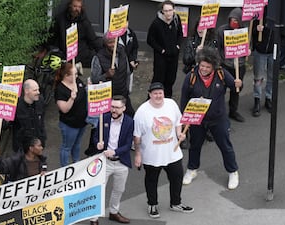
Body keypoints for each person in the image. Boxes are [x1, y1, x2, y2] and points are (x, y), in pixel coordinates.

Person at [180, 47, 241, 190]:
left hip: (218, 118)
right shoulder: (191, 77)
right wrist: (184, 118)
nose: (204, 69)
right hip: (197, 119)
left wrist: (239, 84)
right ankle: (192, 169)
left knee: (225, 146)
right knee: (195, 145)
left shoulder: (221, 74)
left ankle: (233, 171)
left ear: (214, 66)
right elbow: (184, 99)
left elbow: (235, 87)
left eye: (207, 67)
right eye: (202, 66)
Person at [133, 82, 193, 218]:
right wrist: (137, 154)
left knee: (177, 178)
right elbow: (137, 137)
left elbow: (178, 122)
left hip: (172, 153)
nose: (158, 96)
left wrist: (179, 134)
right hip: (152, 155)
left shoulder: (171, 104)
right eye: (155, 93)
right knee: (151, 180)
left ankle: (176, 203)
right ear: (149, 95)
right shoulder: (142, 112)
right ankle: (152, 204)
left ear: (163, 93)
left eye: (160, 93)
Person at [89, 95, 133, 225]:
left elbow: (128, 143)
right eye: (112, 106)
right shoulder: (104, 118)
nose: (114, 110)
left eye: (117, 107)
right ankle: (94, 218)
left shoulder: (130, 122)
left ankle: (114, 212)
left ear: (124, 108)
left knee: (119, 189)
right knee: (99, 189)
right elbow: (96, 137)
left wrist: (115, 151)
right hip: (105, 161)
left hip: (121, 161)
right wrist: (98, 144)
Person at [182, 19, 217, 142]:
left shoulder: (212, 42)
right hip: (193, 77)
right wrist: (195, 53)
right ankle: (186, 131)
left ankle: (205, 129)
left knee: (205, 103)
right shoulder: (191, 41)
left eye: (204, 27)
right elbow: (186, 60)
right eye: (199, 26)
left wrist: (203, 54)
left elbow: (215, 60)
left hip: (206, 78)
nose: (201, 29)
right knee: (190, 104)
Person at [91, 33, 135, 117]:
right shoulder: (98, 58)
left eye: (114, 41)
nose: (113, 45)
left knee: (130, 118)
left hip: (123, 94)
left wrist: (128, 89)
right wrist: (106, 75)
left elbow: (127, 72)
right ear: (105, 43)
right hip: (108, 97)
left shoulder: (122, 51)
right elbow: (94, 80)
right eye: (109, 42)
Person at [217, 7, 248, 122]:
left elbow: (247, 46)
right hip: (225, 65)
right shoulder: (221, 30)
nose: (234, 22)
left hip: (239, 65)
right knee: (221, 90)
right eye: (232, 19)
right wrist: (221, 61)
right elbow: (218, 48)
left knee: (237, 89)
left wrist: (247, 51)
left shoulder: (244, 31)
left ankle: (233, 111)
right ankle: (220, 112)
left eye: (236, 20)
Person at [49, 0, 102, 68]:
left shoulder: (84, 22)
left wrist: (102, 52)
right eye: (75, 6)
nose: (77, 9)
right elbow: (52, 35)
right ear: (70, 6)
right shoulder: (60, 18)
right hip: (64, 52)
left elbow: (92, 39)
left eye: (79, 7)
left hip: (80, 53)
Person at [147, 0, 183, 98]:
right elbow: (150, 40)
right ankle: (152, 99)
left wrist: (178, 46)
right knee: (158, 80)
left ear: (174, 10)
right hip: (161, 57)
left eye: (170, 10)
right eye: (166, 11)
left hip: (174, 56)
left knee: (170, 80)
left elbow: (180, 33)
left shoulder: (176, 19)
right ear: (162, 11)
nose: (168, 13)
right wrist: (161, 50)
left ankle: (167, 99)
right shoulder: (156, 23)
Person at [54, 62, 87, 167]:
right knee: (67, 146)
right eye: (74, 74)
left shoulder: (77, 81)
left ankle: (76, 163)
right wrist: (71, 98)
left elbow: (83, 93)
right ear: (66, 76)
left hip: (82, 121)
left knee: (77, 144)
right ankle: (65, 167)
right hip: (70, 124)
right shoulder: (60, 90)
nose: (77, 76)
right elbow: (64, 109)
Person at [251, 6, 273, 116]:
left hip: (273, 51)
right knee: (258, 78)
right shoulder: (259, 12)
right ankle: (257, 100)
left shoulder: (278, 15)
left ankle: (269, 98)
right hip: (260, 51)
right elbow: (251, 31)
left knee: (271, 77)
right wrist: (256, 29)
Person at [12, 79, 46, 151]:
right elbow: (7, 125)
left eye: (38, 89)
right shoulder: (16, 106)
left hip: (37, 145)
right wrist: (6, 120)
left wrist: (42, 139)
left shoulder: (40, 101)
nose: (38, 92)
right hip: (22, 146)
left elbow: (41, 121)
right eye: (35, 90)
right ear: (26, 91)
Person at [118, 25, 139, 93]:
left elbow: (135, 48)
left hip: (128, 69)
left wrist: (132, 59)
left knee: (127, 90)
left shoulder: (131, 34)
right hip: (118, 68)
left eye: (125, 22)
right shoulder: (113, 35)